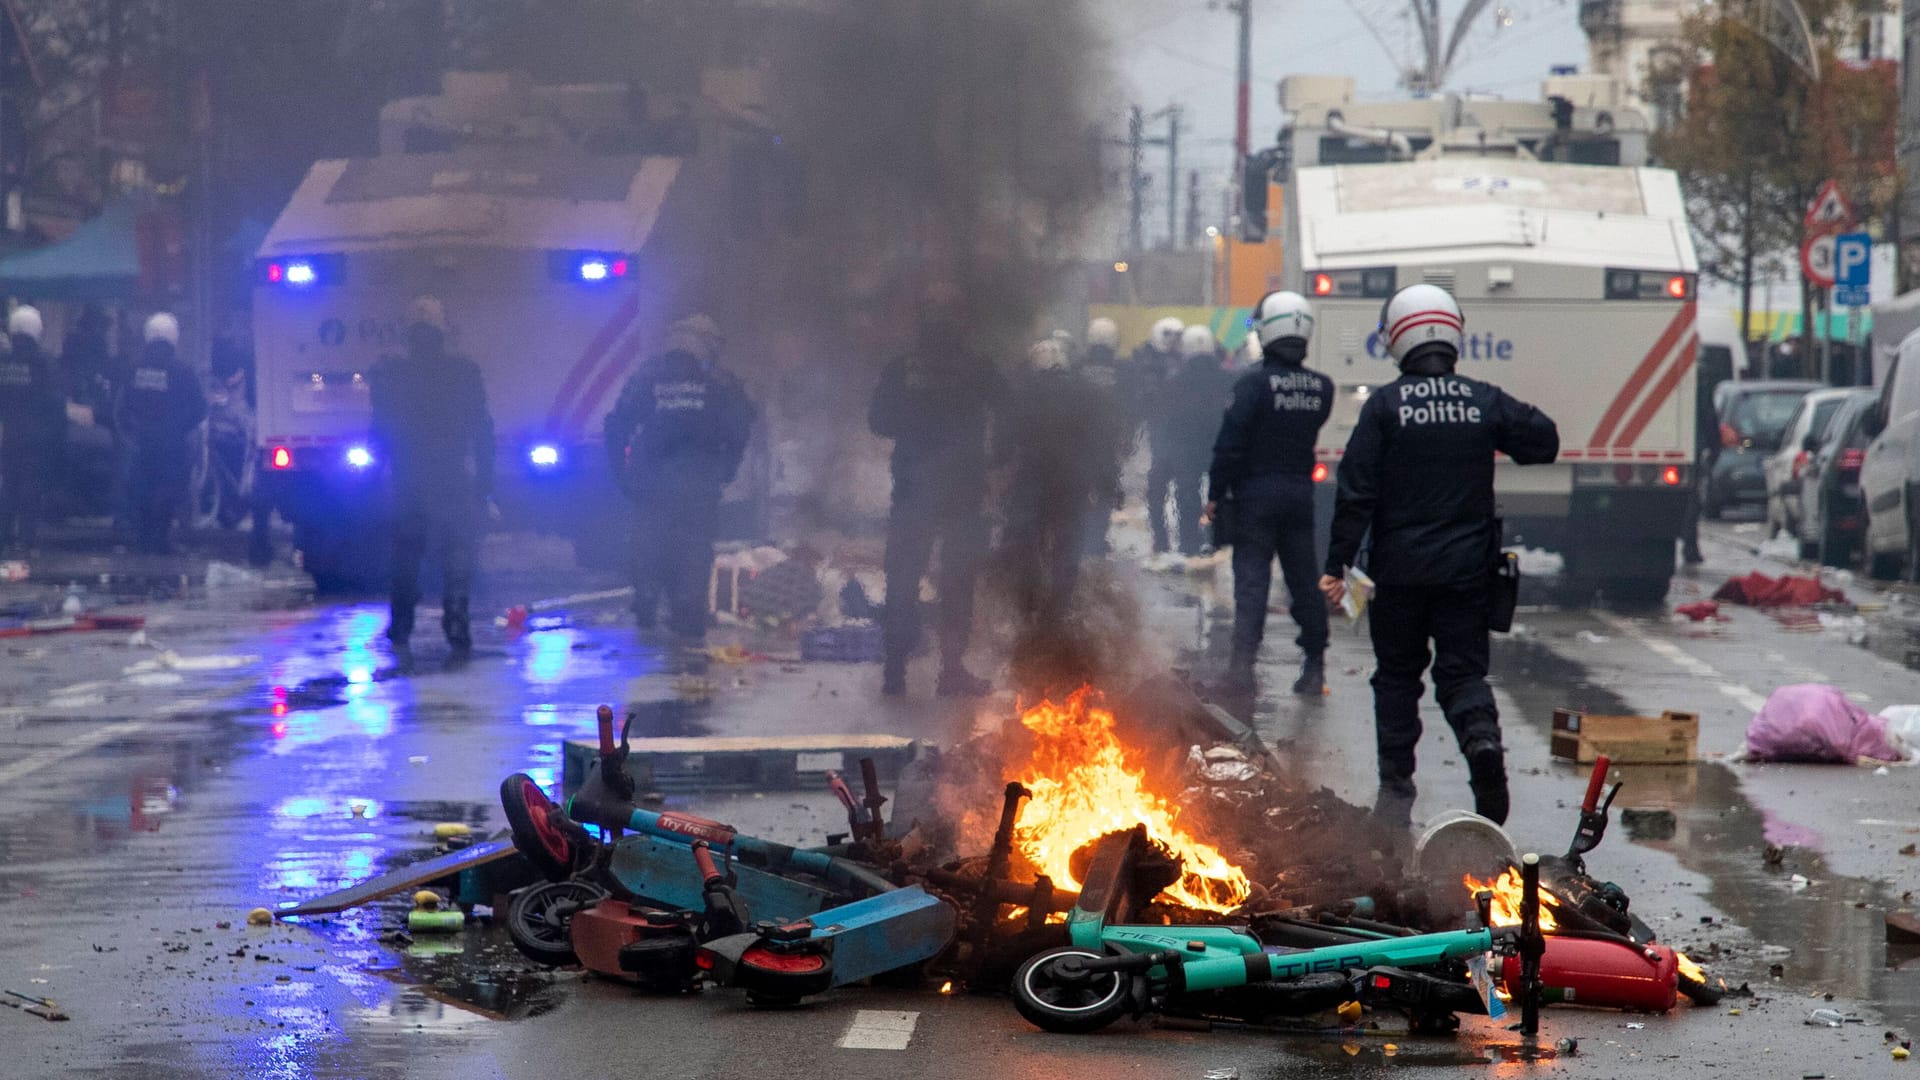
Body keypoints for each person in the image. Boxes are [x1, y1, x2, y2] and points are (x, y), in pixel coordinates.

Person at [1320, 284, 1558, 827]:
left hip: (1398, 575)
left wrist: (1336, 566)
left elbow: (1355, 491)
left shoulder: (1383, 407)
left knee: (1398, 678)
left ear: (1398, 340)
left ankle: (1396, 794)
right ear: (1453, 334)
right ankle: (1482, 748)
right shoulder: (1482, 399)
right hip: (1466, 574)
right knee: (1462, 676)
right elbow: (1544, 440)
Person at [869, 286, 1000, 698]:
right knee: (958, 581)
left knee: (902, 580)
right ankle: (951, 671)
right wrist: (997, 456)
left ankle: (894, 671)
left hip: (912, 490)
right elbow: (1014, 408)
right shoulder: (975, 368)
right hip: (963, 492)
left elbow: (879, 421)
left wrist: (915, 424)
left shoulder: (900, 370)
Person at [1207, 291, 1333, 696]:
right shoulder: (1322, 387)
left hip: (1255, 497)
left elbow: (1230, 443)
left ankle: (1242, 669)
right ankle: (1314, 666)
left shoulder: (1252, 384)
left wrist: (1215, 492)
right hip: (1299, 496)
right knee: (1303, 582)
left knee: (1252, 584)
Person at [603, 314, 755, 649]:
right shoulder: (720, 382)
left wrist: (621, 474)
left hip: (651, 483)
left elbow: (616, 425)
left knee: (648, 546)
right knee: (693, 552)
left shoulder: (647, 376)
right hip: (698, 484)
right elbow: (741, 428)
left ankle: (647, 604)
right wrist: (726, 469)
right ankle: (687, 620)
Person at [369, 297, 495, 667]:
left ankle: (401, 625)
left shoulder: (391, 375)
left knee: (406, 556)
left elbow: (380, 429)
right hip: (451, 475)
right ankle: (457, 624)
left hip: (409, 477)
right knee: (457, 553)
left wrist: (377, 475)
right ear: (443, 332)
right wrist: (485, 482)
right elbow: (482, 429)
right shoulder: (464, 373)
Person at [117, 313, 207, 555]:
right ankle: (161, 539)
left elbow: (121, 407)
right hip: (172, 445)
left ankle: (144, 539)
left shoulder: (134, 368)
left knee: (143, 490)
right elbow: (200, 408)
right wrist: (179, 428)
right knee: (168, 490)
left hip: (142, 443)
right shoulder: (182, 370)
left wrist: (133, 433)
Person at [1149, 325, 1231, 558]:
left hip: (1186, 448)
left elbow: (1165, 415)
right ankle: (1216, 540)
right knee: (1218, 494)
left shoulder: (1175, 381)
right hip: (1218, 446)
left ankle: (1189, 543)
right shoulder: (1225, 377)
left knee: (1187, 495)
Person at [0, 307, 65, 551]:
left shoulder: (3, 362)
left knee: (9, 487)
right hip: (37, 437)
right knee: (30, 488)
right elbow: (55, 400)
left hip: (10, 435)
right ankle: (26, 540)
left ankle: (3, 536)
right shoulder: (42, 362)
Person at [1136, 316, 1186, 554]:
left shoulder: (1185, 362)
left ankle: (1185, 541)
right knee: (1159, 491)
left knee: (1184, 491)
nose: (1174, 342)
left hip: (1177, 436)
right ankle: (1162, 540)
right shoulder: (1147, 362)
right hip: (1163, 435)